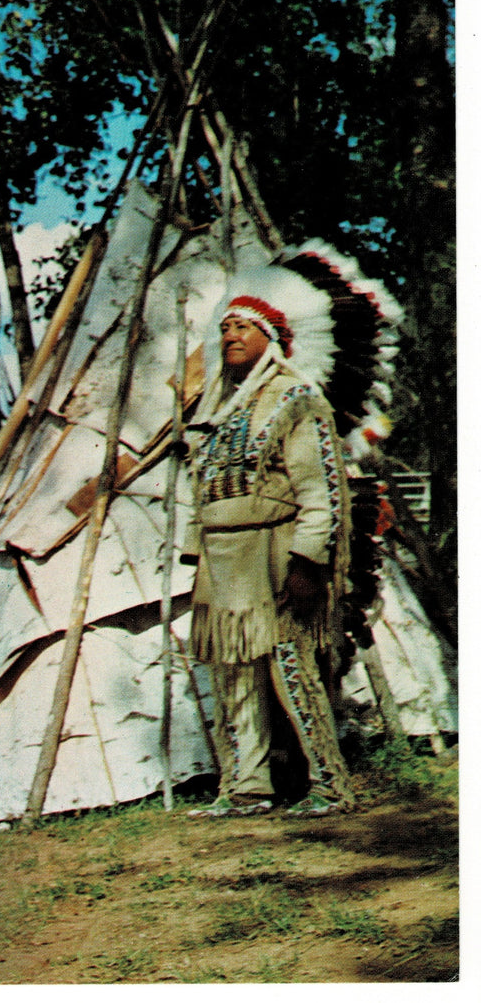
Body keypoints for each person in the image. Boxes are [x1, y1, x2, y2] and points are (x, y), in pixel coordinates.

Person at [181, 294, 355, 817]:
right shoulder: (216, 408)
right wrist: (196, 552)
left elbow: (321, 488)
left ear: (270, 339)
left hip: (274, 549)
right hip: (223, 558)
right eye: (225, 328)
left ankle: (328, 783)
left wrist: (308, 561)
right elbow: (204, 488)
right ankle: (245, 788)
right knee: (233, 671)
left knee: (291, 666)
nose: (231, 336)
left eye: (243, 328)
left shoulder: (295, 398)